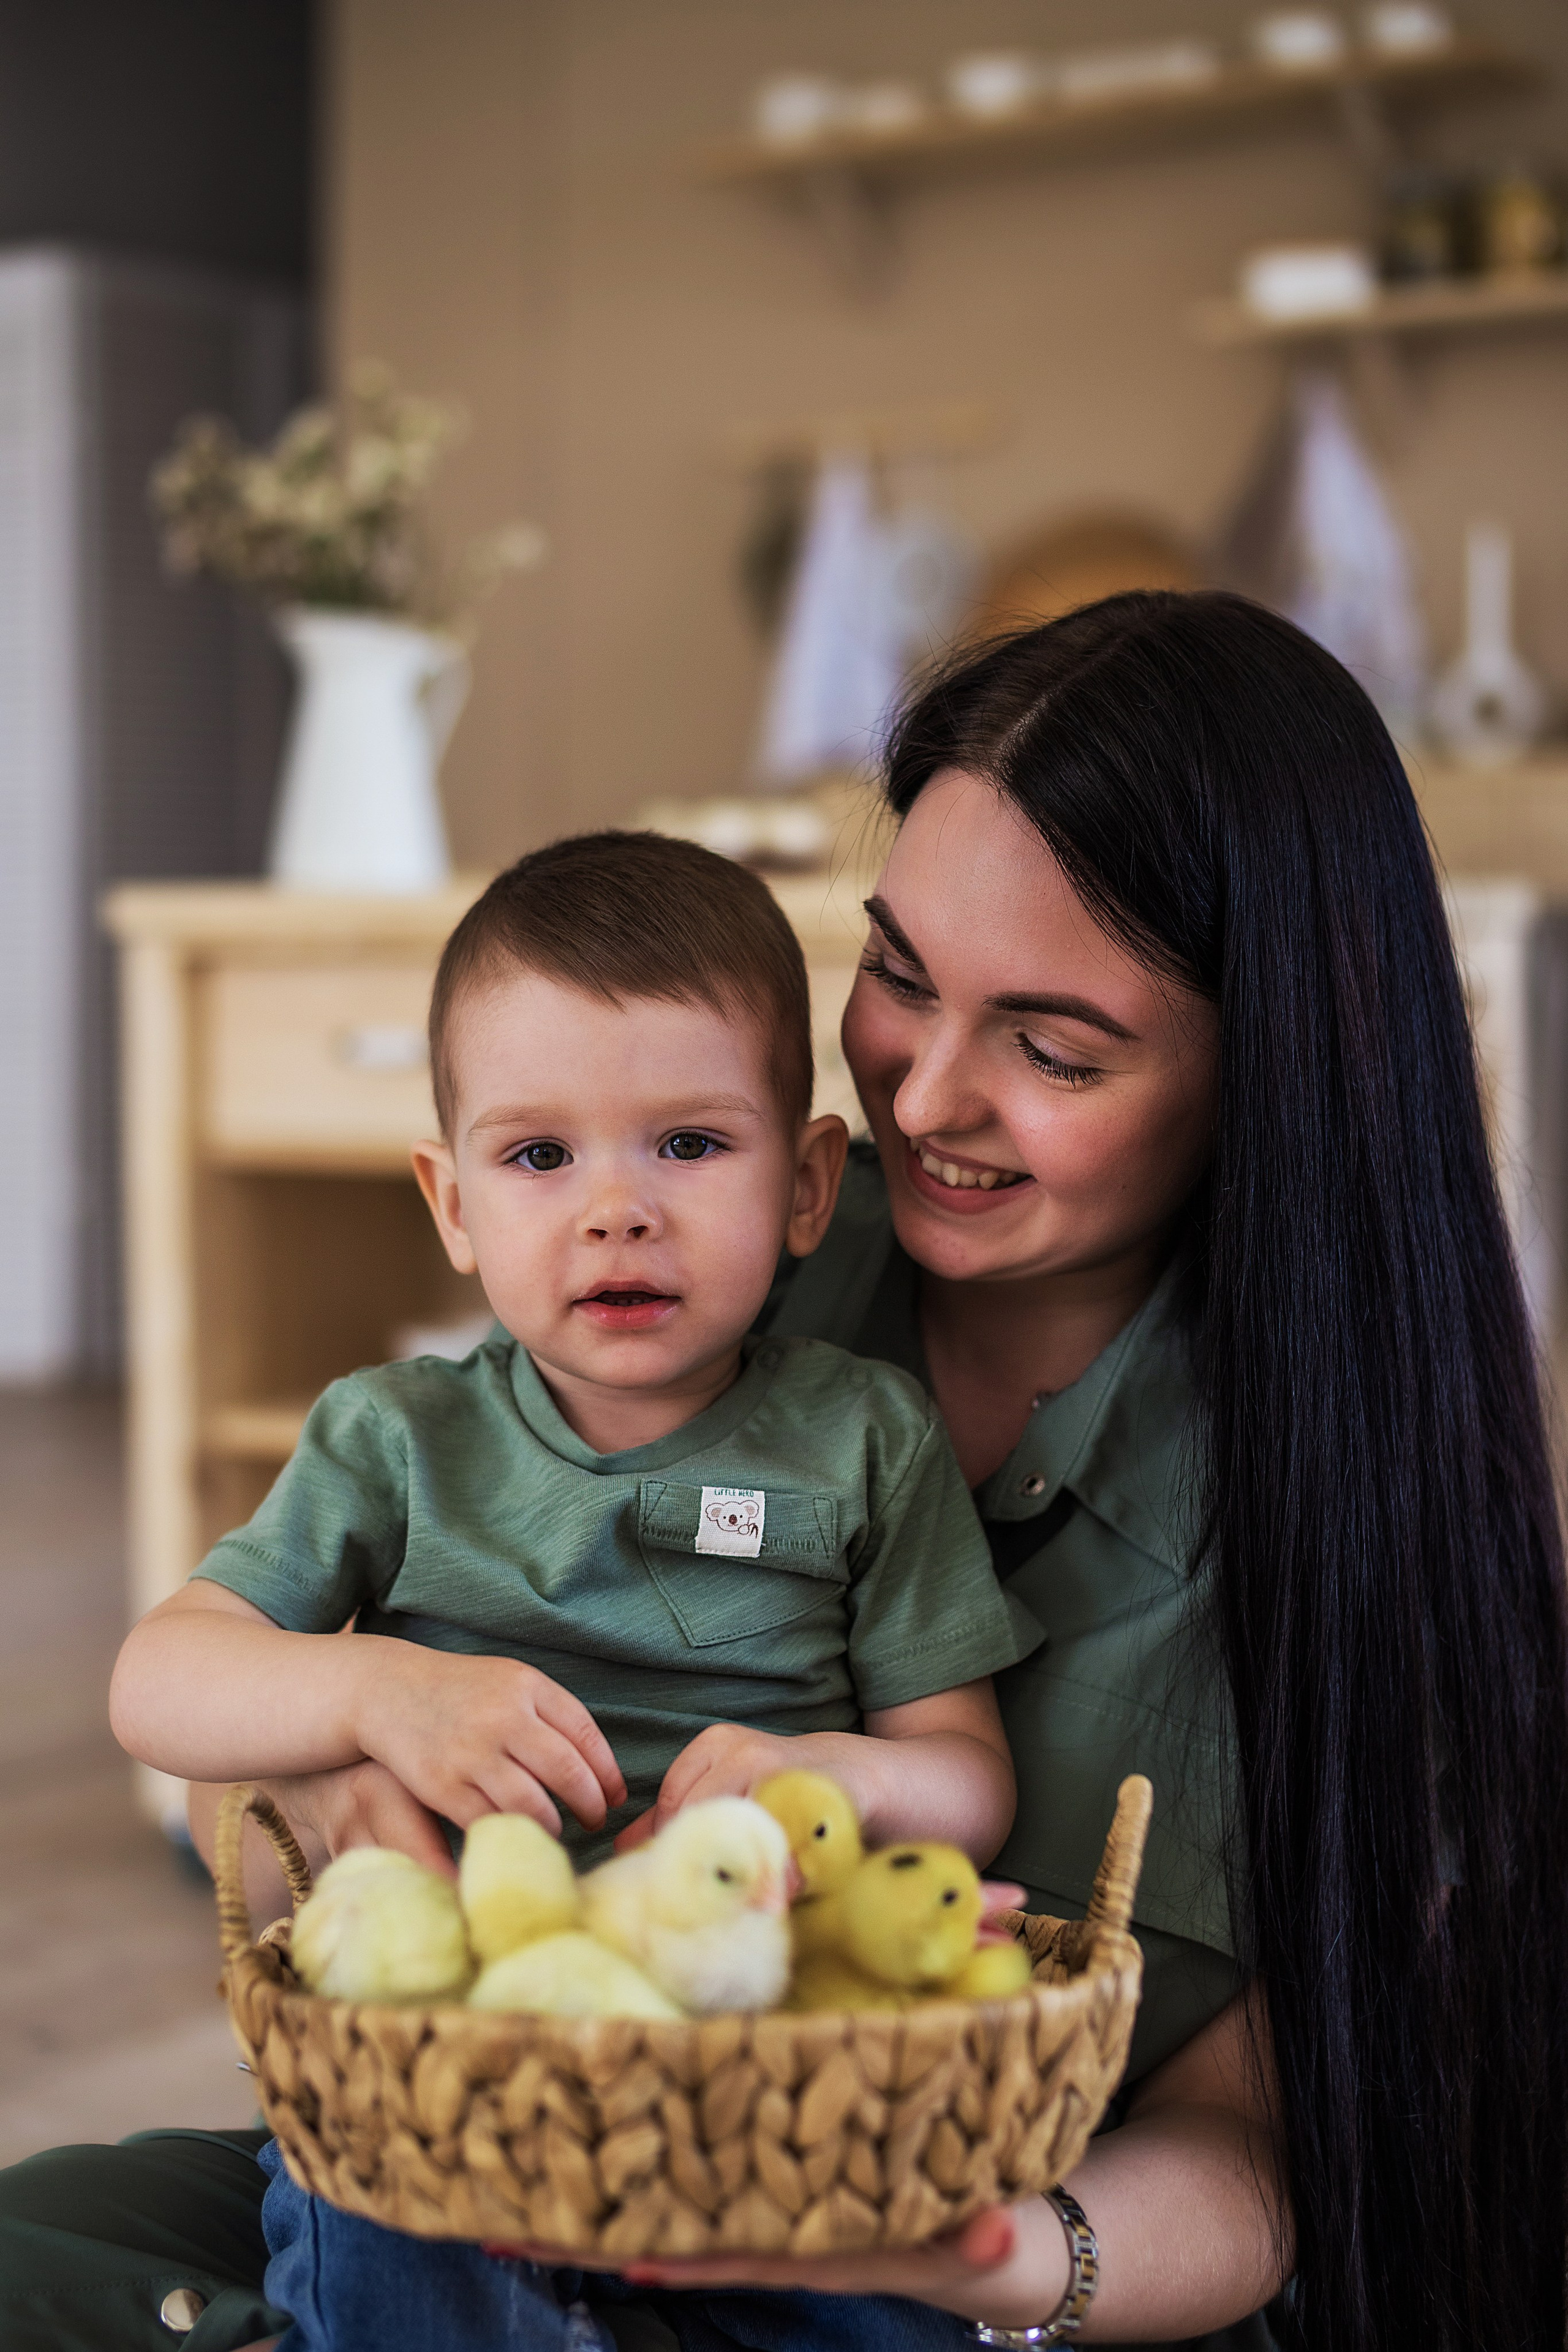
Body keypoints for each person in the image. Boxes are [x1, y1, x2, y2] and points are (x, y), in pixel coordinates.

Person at [2, 589, 1564, 2352]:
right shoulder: (685, 1274)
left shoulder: (1330, 1500)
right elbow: (234, 1744)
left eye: (1053, 1048)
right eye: (898, 976)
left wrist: (987, 2257)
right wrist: (341, 1780)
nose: (927, 1099)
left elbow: (1252, 2159)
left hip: (967, 2247)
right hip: (509, 2130)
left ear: (1263, 1076)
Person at [106, 828, 1036, 2351]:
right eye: (539, 1157)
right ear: (452, 1202)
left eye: (688, 1146)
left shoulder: (864, 1437)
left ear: (808, 1184)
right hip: (456, 2052)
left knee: (885, 2282)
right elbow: (158, 1681)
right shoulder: (395, 1439)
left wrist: (837, 1780)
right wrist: (376, 1691)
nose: (616, 1209)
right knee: (386, 2236)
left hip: (757, 2056)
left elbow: (969, 1778)